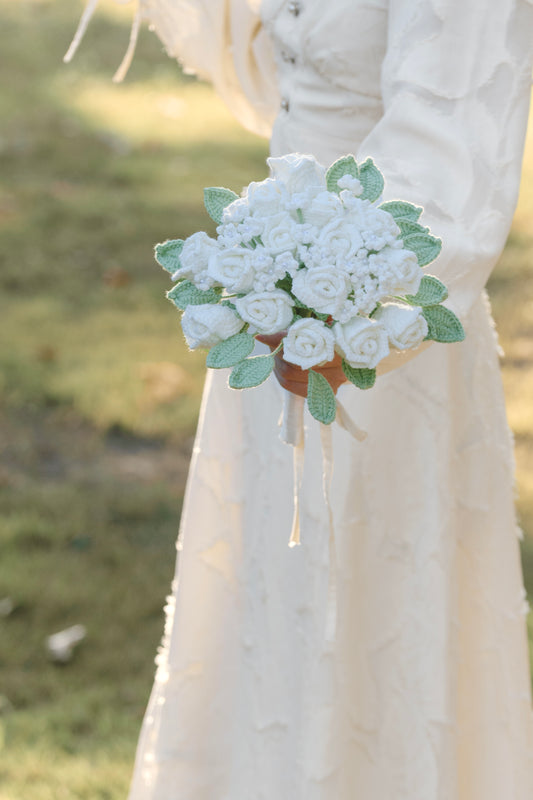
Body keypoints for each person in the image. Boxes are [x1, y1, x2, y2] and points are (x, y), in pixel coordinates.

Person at [70, 0, 533, 797]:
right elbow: (275, 77)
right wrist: (264, 287)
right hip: (267, 303)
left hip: (385, 325)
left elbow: (452, 140)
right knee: (266, 618)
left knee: (369, 622)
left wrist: (340, 318)